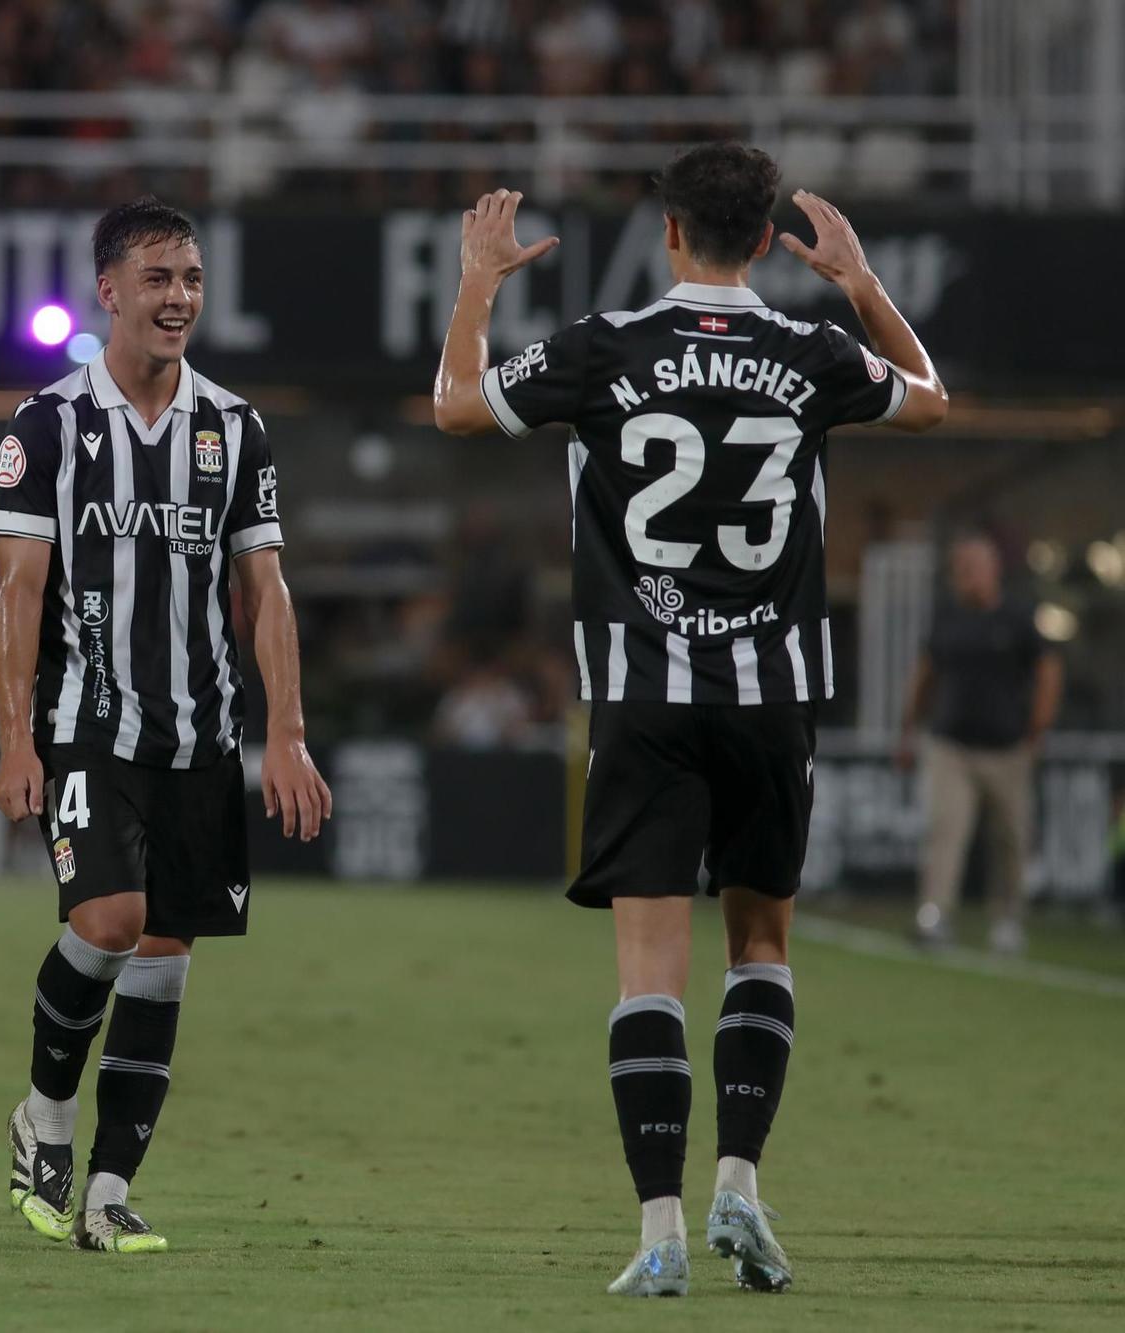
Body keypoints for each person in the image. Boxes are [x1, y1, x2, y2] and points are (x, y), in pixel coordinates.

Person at [432, 143, 947, 1295]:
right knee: (759, 946)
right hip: (770, 701)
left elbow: (455, 406)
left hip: (644, 698)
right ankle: (740, 1189)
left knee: (647, 973)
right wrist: (860, 287)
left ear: (668, 233)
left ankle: (660, 1229)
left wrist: (478, 280)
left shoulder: (604, 350)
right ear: (764, 240)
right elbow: (930, 402)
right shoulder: (813, 353)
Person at [0, 197, 331, 1254]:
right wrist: (13, 738)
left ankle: (106, 1191)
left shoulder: (235, 427)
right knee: (108, 920)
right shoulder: (47, 424)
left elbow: (264, 589)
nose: (178, 297)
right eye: (156, 278)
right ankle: (42, 1110)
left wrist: (287, 732)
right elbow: (16, 594)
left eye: (188, 278)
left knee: (166, 955)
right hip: (87, 721)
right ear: (109, 292)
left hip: (200, 735)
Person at [898, 534, 1061, 954]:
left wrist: (1037, 729)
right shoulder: (947, 618)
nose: (962, 575)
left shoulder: (1018, 618)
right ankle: (934, 915)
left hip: (1008, 748)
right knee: (945, 830)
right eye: (959, 567)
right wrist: (908, 728)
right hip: (951, 746)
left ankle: (1007, 919)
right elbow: (925, 674)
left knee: (1010, 836)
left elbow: (1048, 670)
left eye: (970, 567)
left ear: (993, 570)